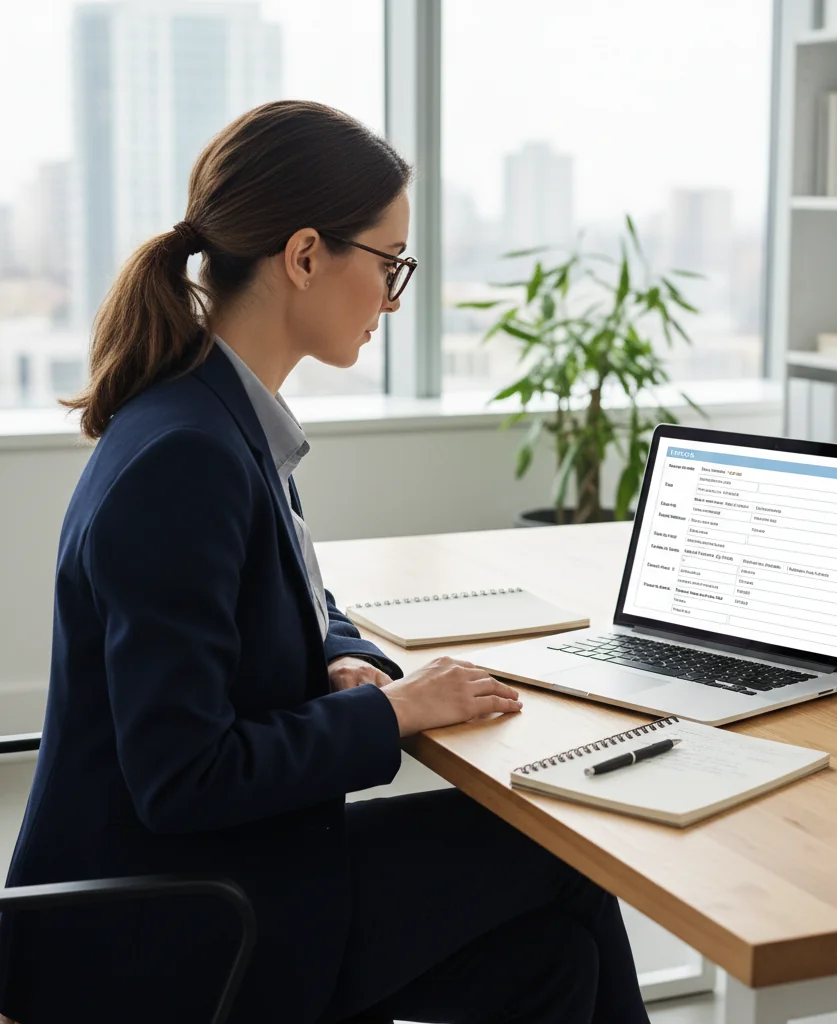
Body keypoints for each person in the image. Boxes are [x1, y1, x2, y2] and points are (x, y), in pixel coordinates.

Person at [0, 100, 650, 1024]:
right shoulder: (188, 456)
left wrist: (348, 659)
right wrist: (390, 712)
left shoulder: (218, 418)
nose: (392, 298)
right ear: (305, 256)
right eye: (390, 265)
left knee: (553, 961)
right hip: (165, 931)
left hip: (217, 875)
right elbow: (183, 776)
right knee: (557, 860)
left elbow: (298, 602)